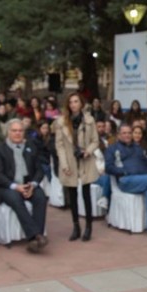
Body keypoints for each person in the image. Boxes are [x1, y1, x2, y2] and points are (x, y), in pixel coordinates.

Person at [0, 118, 49, 253]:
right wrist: (16, 187)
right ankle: (36, 235)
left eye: (20, 131)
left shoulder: (31, 146)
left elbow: (39, 170)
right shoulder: (0, 149)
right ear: (8, 132)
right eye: (14, 131)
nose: (17, 133)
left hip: (28, 184)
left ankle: (34, 241)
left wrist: (33, 185)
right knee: (16, 199)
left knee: (41, 197)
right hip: (7, 187)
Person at [53, 92, 100, 241]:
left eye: (76, 101)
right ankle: (76, 226)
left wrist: (88, 151)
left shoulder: (89, 120)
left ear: (81, 104)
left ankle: (88, 227)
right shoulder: (61, 122)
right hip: (69, 161)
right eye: (71, 102)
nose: (73, 104)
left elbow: (95, 141)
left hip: (85, 160)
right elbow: (59, 145)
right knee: (72, 195)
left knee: (86, 195)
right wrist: (64, 164)